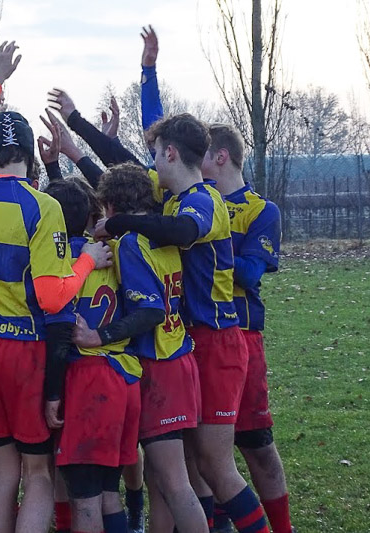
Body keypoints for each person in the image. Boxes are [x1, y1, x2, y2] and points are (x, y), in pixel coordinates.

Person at [0, 41, 111, 533]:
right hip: (24, 351)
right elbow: (52, 298)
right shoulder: (42, 208)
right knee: (37, 471)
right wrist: (85, 261)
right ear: (28, 156)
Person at [90, 115, 269, 533]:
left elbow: (181, 230)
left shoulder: (202, 201)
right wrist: (75, 137)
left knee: (214, 464)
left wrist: (118, 224)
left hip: (218, 343)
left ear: (170, 153)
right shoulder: (171, 196)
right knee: (179, 467)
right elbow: (122, 169)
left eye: (156, 153)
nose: (152, 163)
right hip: (188, 344)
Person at [69, 163, 209, 533]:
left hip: (161, 365)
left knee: (176, 484)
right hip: (179, 358)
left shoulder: (131, 242)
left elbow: (150, 310)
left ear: (111, 207)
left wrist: (99, 337)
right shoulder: (161, 233)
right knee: (162, 484)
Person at [203, 123, 295, 533]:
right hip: (196, 336)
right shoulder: (192, 203)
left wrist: (208, 240)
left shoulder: (262, 210)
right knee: (200, 449)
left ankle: (282, 526)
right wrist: (147, 71)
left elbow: (251, 273)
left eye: (199, 152)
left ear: (220, 156)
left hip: (241, 336)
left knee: (256, 445)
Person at [42, 179, 143, 533]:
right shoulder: (110, 251)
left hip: (88, 380)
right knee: (104, 492)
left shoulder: (58, 260)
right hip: (122, 374)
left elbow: (55, 330)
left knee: (84, 498)